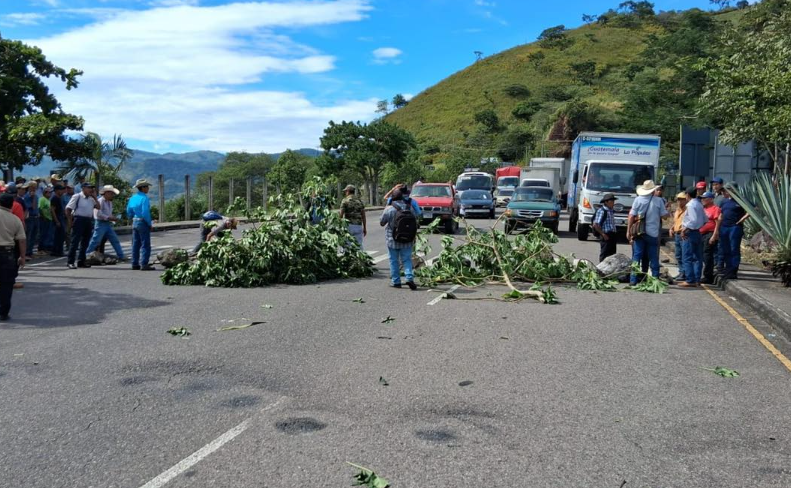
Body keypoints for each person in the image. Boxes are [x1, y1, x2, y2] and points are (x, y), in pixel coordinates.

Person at [627, 180, 668, 286]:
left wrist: (629, 231)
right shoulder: (659, 201)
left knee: (637, 256)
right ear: (653, 190)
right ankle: (654, 279)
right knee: (653, 257)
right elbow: (664, 216)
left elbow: (631, 216)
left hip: (640, 233)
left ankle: (633, 280)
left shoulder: (637, 200)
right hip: (653, 234)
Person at [380, 189, 418, 290]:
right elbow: (415, 221)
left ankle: (396, 281)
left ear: (393, 198)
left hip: (392, 239)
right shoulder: (410, 207)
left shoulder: (390, 209)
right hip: (408, 239)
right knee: (406, 260)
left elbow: (382, 222)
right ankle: (409, 277)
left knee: (393, 260)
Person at [0, 194, 26, 321]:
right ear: (11, 205)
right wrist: (22, 257)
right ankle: (3, 312)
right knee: (6, 284)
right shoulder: (15, 219)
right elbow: (21, 240)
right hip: (7, 253)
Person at [678, 187, 708, 288]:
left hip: (689, 232)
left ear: (687, 195)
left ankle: (690, 280)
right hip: (697, 232)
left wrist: (684, 229)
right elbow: (705, 219)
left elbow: (693, 220)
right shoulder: (699, 204)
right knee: (697, 258)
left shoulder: (690, 205)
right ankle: (697, 279)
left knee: (687, 257)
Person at [718, 182, 749, 280]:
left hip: (735, 227)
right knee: (725, 249)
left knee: (734, 249)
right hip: (724, 227)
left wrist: (742, 219)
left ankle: (733, 271)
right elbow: (721, 213)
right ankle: (727, 269)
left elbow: (753, 209)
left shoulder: (740, 200)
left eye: (726, 190)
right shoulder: (724, 201)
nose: (724, 192)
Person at [66, 182, 101, 269]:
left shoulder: (91, 199)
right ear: (83, 188)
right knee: (75, 242)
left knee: (85, 242)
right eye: (89, 188)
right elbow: (68, 209)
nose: (91, 190)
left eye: (91, 188)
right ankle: (70, 261)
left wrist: (95, 197)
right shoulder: (77, 196)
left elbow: (98, 207)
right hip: (79, 219)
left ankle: (81, 261)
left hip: (88, 220)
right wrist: (70, 221)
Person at [85, 185, 125, 260]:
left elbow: (108, 213)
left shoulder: (109, 202)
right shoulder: (100, 201)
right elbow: (98, 213)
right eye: (111, 193)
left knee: (114, 239)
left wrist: (112, 218)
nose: (112, 195)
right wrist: (109, 217)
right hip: (100, 223)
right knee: (95, 240)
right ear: (106, 193)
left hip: (107, 223)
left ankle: (121, 255)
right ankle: (86, 254)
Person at [127, 179, 155, 271]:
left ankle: (134, 263)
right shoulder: (144, 198)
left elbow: (129, 211)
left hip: (135, 221)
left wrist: (132, 217)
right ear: (142, 188)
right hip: (142, 222)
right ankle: (144, 263)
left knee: (135, 244)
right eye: (146, 186)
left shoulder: (132, 198)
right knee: (145, 244)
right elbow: (145, 212)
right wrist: (149, 223)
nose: (148, 188)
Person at [699, 191, 722, 284]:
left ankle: (708, 276)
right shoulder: (702, 208)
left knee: (707, 254)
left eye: (705, 198)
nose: (703, 200)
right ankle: (703, 273)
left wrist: (714, 235)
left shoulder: (715, 209)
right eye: (702, 198)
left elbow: (718, 223)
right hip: (701, 233)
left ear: (711, 199)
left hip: (710, 233)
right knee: (702, 255)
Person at [668, 192, 688, 283]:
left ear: (686, 200)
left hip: (683, 234)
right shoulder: (677, 210)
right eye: (678, 199)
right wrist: (672, 228)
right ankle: (681, 271)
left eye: (681, 199)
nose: (679, 201)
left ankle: (684, 272)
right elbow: (676, 222)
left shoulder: (688, 210)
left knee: (684, 255)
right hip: (677, 234)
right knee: (678, 255)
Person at [592, 193, 618, 262]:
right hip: (606, 235)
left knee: (612, 256)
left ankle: (609, 271)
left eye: (613, 201)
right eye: (611, 201)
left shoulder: (611, 211)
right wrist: (603, 234)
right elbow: (595, 224)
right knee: (604, 255)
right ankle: (600, 270)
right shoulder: (602, 211)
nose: (613, 203)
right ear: (606, 202)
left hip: (612, 235)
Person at [339, 184, 367, 249]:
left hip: (348, 226)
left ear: (348, 191)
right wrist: (364, 228)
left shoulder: (345, 200)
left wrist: (339, 227)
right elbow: (363, 215)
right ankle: (359, 258)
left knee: (347, 246)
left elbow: (341, 215)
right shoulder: (359, 201)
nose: (345, 193)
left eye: (346, 191)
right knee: (359, 246)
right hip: (358, 226)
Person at [23, 181, 40, 259]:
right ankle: (26, 252)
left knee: (34, 235)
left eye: (35, 187)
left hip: (36, 217)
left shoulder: (36, 196)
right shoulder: (27, 196)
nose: (34, 188)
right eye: (32, 187)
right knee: (28, 235)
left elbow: (36, 207)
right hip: (30, 218)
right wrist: (32, 197)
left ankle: (30, 252)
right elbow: (32, 207)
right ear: (29, 187)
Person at [50, 185, 67, 257]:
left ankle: (56, 250)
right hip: (58, 218)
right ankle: (58, 251)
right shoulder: (54, 198)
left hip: (61, 217)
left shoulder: (59, 198)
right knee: (59, 236)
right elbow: (52, 210)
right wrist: (56, 221)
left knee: (60, 235)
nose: (62, 191)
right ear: (56, 190)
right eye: (61, 189)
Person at [38, 186, 53, 253]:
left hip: (49, 218)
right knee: (43, 234)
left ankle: (45, 247)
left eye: (50, 192)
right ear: (45, 193)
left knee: (47, 234)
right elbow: (40, 208)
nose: (50, 194)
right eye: (48, 192)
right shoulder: (42, 199)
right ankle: (41, 248)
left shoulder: (48, 200)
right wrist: (43, 217)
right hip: (44, 219)